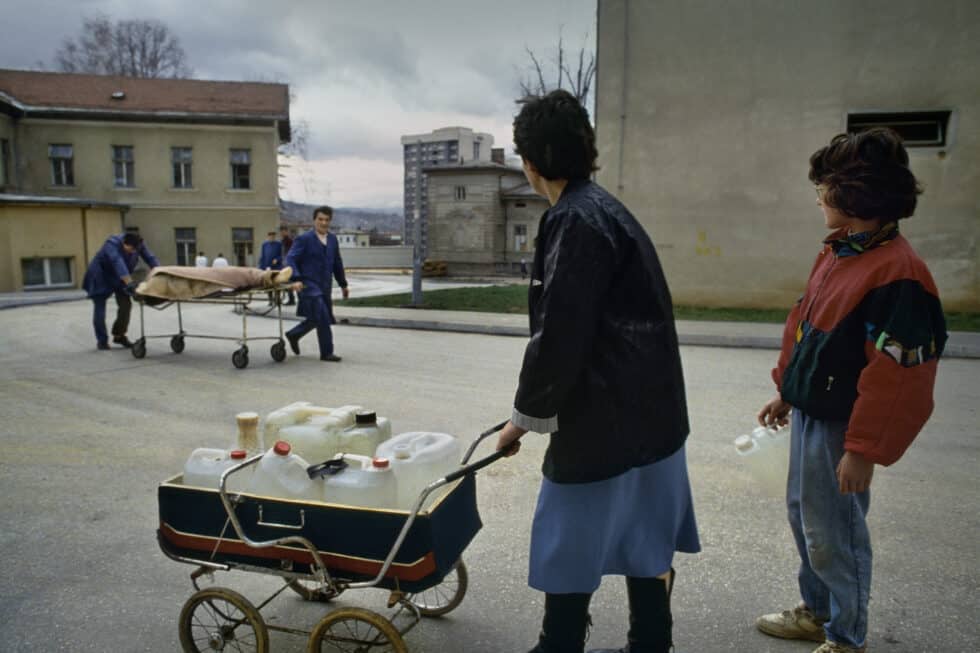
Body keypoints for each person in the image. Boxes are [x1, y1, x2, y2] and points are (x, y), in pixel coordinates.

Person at [494, 90, 700, 653]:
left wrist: (523, 419)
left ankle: (559, 644)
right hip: (652, 414)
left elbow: (560, 335)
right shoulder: (608, 208)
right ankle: (651, 642)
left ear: (530, 162)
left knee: (568, 539)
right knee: (646, 535)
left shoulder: (573, 220)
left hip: (603, 420)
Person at [756, 128, 947, 653]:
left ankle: (846, 636)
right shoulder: (840, 251)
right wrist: (788, 391)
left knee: (835, 531)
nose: (817, 197)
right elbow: (807, 325)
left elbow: (900, 376)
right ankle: (817, 613)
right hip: (814, 413)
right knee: (806, 518)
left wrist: (863, 449)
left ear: (855, 196)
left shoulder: (898, 275)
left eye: (824, 187)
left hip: (846, 426)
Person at [285, 206, 349, 362]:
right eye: (320, 219)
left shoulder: (333, 240)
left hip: (324, 285)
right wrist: (296, 279)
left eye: (327, 220)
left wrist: (343, 284)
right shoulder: (304, 239)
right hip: (307, 284)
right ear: (314, 220)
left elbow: (337, 263)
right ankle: (327, 352)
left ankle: (294, 334)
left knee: (317, 317)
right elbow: (291, 259)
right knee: (322, 314)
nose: (323, 223)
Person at [82, 232, 159, 350]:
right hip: (101, 276)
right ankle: (102, 341)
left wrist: (161, 272)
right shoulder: (112, 244)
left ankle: (119, 335)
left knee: (126, 305)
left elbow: (150, 258)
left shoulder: (138, 244)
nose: (133, 252)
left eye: (135, 250)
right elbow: (117, 262)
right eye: (130, 249)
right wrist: (130, 284)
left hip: (121, 277)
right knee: (100, 308)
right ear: (123, 243)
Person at [258, 231, 283, 306]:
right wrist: (261, 267)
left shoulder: (279, 244)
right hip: (267, 267)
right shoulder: (264, 245)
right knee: (269, 284)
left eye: (273, 236)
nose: (271, 238)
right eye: (270, 236)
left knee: (277, 283)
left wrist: (277, 259)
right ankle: (270, 300)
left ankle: (277, 299)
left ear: (275, 237)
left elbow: (282, 255)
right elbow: (262, 256)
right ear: (268, 237)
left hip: (276, 267)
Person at [280, 226, 296, 305]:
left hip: (288, 264)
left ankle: (292, 299)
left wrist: (288, 262)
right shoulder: (282, 241)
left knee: (289, 281)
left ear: (286, 232)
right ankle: (290, 298)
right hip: (284, 263)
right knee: (286, 282)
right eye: (281, 231)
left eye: (284, 231)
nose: (282, 233)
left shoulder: (289, 241)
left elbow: (290, 252)